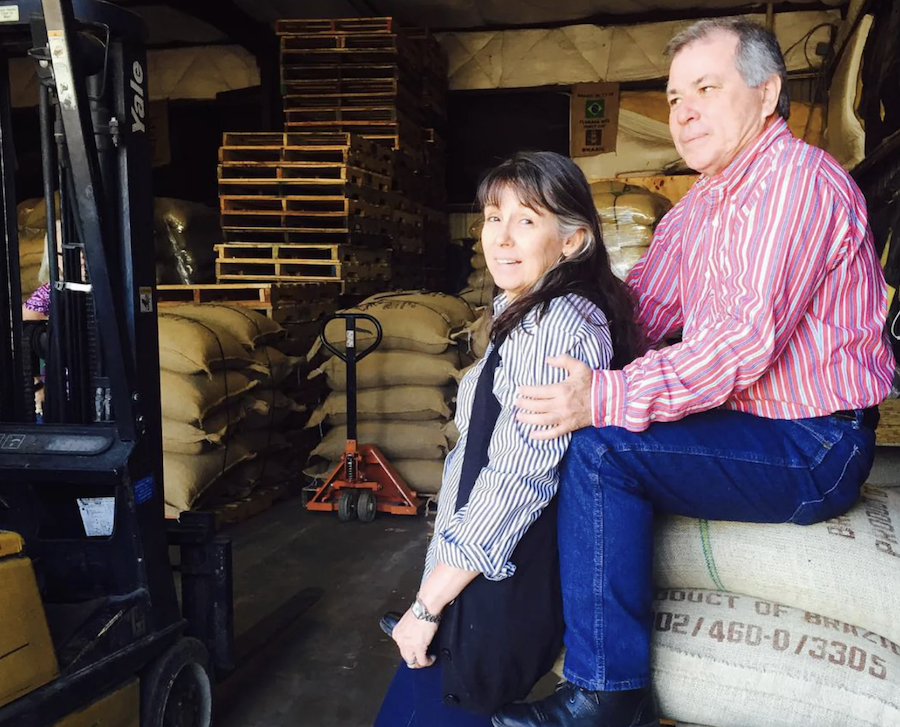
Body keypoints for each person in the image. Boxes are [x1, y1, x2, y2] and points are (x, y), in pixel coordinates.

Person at [491, 18, 897, 727]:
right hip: (753, 423)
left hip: (814, 444)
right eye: (675, 97)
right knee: (583, 424)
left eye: (705, 89)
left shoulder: (796, 183)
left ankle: (608, 692)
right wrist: (549, 316)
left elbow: (740, 344)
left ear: (767, 93)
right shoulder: (703, 205)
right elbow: (640, 307)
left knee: (601, 447)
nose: (683, 113)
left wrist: (607, 394)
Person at [373, 151, 646, 727]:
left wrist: (430, 603)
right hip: (479, 573)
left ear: (572, 241)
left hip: (495, 585)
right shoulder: (526, 314)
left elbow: (516, 481)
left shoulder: (558, 328)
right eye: (493, 218)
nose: (501, 238)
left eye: (526, 220)